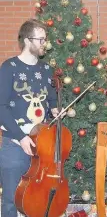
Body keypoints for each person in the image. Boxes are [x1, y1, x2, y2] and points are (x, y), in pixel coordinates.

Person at [0, 19, 62, 217]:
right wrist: (21, 136)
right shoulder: (8, 67)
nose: (45, 43)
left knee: (37, 199)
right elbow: (0, 106)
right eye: (41, 39)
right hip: (15, 144)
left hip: (41, 146)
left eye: (45, 39)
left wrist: (55, 110)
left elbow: (52, 100)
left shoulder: (46, 70)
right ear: (27, 40)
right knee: (11, 200)